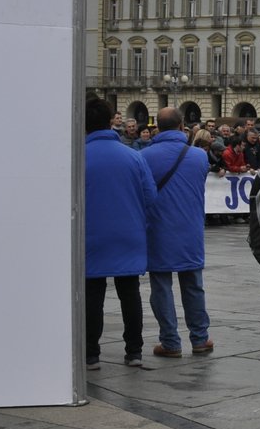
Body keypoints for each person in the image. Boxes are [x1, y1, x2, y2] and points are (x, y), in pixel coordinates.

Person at [84, 97, 156, 371]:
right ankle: (134, 351)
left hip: (91, 235)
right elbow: (151, 196)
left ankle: (91, 354)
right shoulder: (133, 156)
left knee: (93, 296)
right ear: (110, 120)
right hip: (129, 233)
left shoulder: (77, 156)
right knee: (130, 294)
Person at [141, 108, 214, 359]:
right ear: (182, 125)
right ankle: (200, 338)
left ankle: (170, 342)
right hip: (190, 229)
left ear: (157, 127)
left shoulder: (144, 156)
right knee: (194, 285)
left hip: (158, 229)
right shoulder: (199, 157)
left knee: (161, 286)